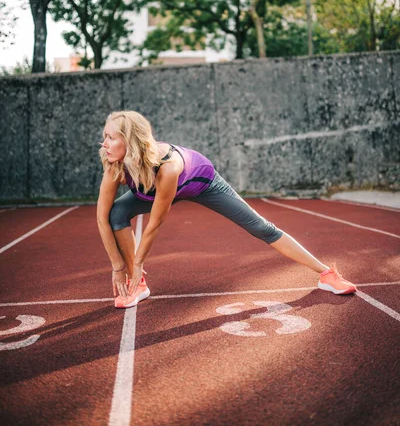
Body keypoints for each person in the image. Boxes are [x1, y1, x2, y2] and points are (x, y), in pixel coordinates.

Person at [97, 110, 357, 308]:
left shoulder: (169, 167)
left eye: (111, 137)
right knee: (116, 213)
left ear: (130, 141)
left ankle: (326, 274)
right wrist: (119, 267)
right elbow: (101, 219)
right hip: (156, 189)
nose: (104, 143)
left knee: (260, 227)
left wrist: (139, 262)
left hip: (201, 183)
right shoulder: (115, 165)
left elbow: (155, 223)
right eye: (104, 137)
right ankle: (138, 286)